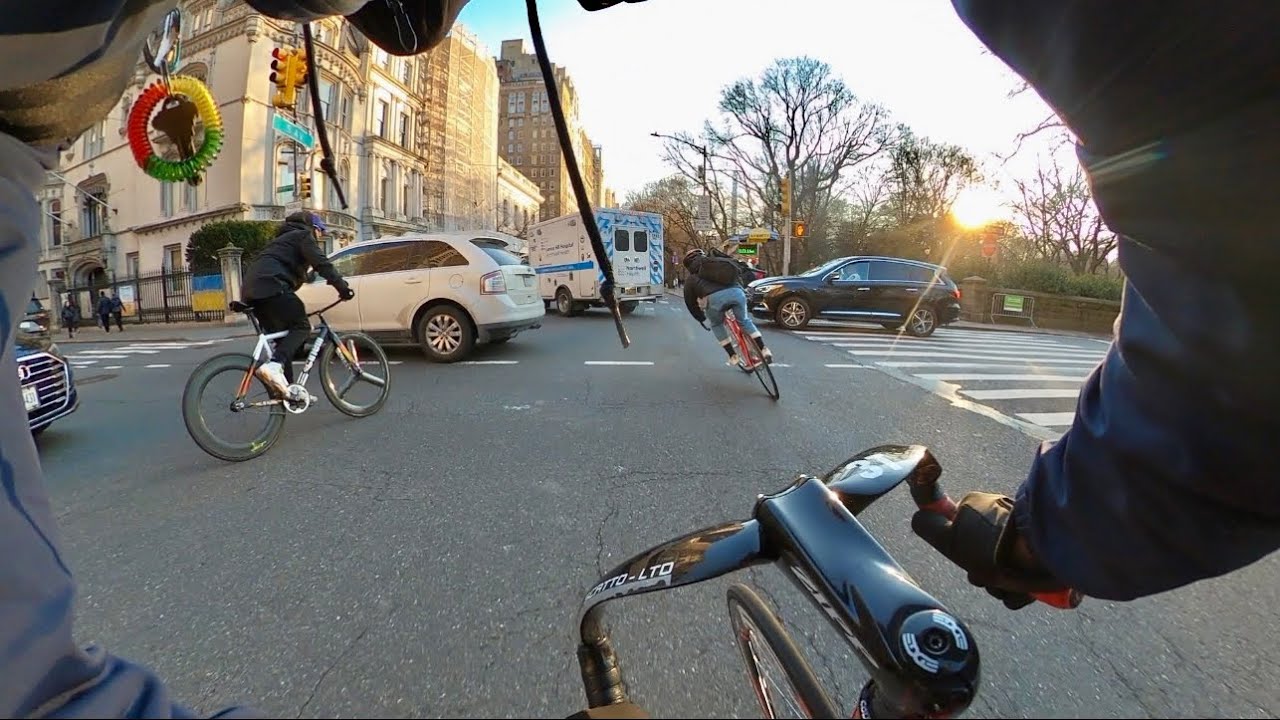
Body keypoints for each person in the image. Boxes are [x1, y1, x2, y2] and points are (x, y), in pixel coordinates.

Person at [0, 0, 1277, 718]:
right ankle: (273, 380)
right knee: (284, 339)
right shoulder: (280, 236)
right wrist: (1069, 527)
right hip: (288, 301)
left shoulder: (712, 256)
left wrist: (732, 306)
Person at [242, 210, 353, 398]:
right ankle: (274, 366)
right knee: (302, 326)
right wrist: (342, 287)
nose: (320, 236)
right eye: (319, 231)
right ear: (313, 227)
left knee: (284, 344)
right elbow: (322, 263)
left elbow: (297, 271)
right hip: (272, 287)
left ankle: (289, 392)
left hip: (253, 291)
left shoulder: (282, 241)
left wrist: (309, 276)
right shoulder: (303, 236)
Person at [681, 247, 773, 366]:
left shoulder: (691, 279)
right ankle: (763, 349)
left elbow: (690, 302)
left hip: (714, 300)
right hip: (736, 293)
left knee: (716, 324)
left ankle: (732, 355)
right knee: (744, 321)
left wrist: (701, 318)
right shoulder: (719, 263)